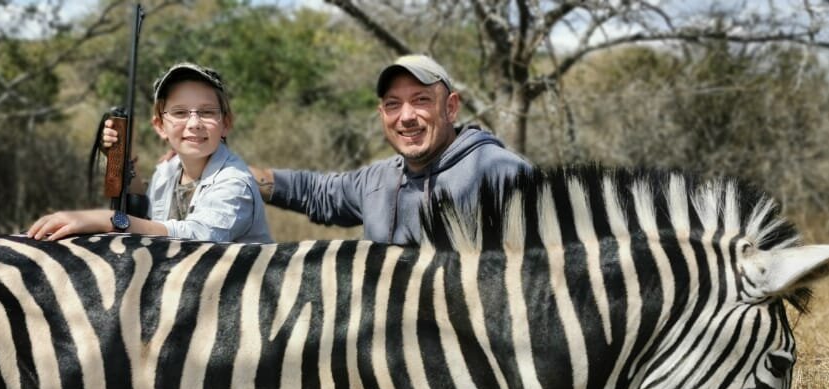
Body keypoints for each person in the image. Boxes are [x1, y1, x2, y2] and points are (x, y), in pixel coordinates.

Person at [99, 54, 529, 245]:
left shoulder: (496, 169)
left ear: (450, 107)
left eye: (421, 100)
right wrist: (212, 163)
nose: (407, 116)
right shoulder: (380, 179)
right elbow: (311, 190)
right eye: (393, 104)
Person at [28, 62, 272, 244]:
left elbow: (199, 236)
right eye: (179, 113)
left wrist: (111, 220)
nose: (194, 123)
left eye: (207, 112)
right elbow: (145, 211)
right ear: (159, 126)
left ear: (226, 124)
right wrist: (123, 157)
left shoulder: (235, 183)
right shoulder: (169, 169)